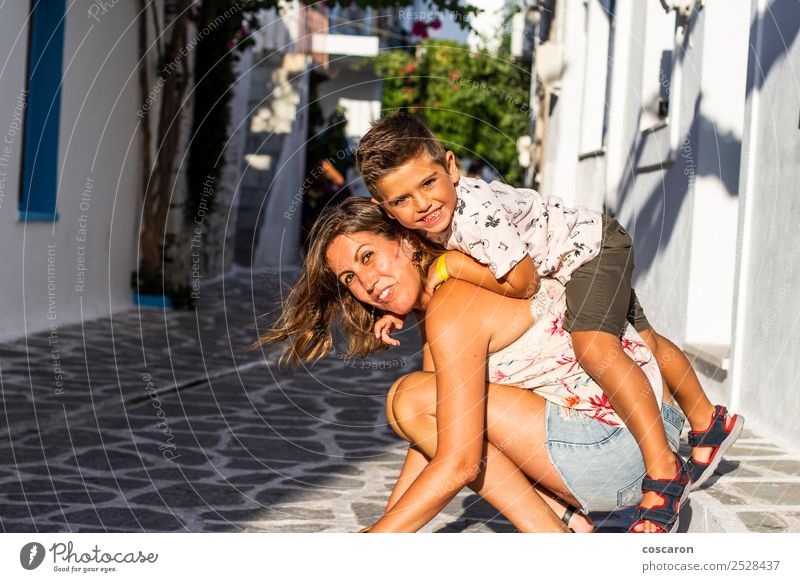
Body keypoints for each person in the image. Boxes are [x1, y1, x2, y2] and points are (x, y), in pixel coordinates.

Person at [355, 113, 744, 533]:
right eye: (402, 200)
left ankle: (664, 469)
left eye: (428, 184)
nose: (422, 204)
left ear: (451, 167)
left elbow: (522, 282)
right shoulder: (437, 225)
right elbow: (434, 414)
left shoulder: (472, 216)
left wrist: (455, 264)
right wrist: (399, 308)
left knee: (594, 346)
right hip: (579, 254)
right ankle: (708, 420)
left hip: (591, 251)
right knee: (645, 339)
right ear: (387, 210)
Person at [256, 197, 693, 533]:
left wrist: (377, 543)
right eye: (349, 278)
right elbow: (429, 432)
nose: (366, 283)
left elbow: (460, 460)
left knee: (409, 399)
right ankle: (565, 526)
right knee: (417, 402)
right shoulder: (446, 298)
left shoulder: (453, 304)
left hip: (625, 450)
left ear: (406, 241)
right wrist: (389, 523)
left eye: (367, 256)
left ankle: (555, 537)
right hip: (623, 444)